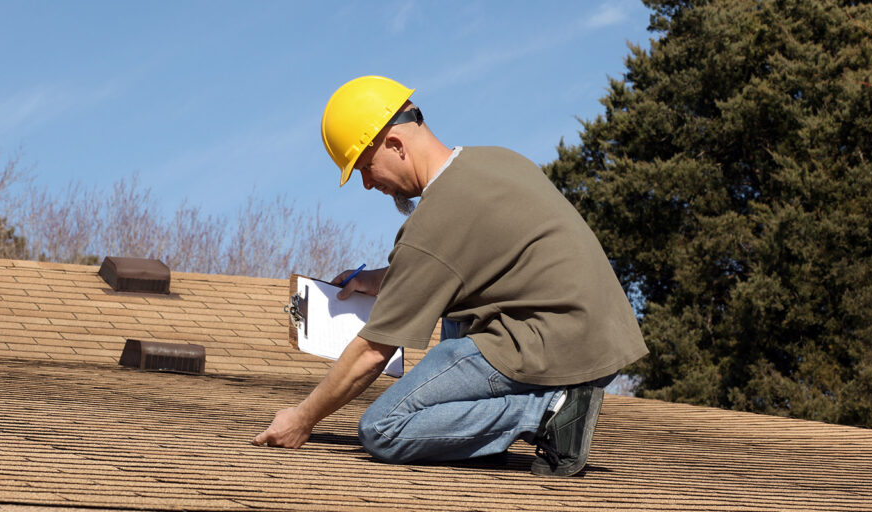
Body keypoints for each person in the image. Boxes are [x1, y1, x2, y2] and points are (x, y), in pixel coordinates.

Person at [253, 76, 648, 477]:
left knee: (381, 428)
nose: (369, 184)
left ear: (394, 144)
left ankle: (549, 411)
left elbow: (373, 351)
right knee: (455, 310)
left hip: (554, 346)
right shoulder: (494, 161)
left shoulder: (435, 221)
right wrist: (377, 280)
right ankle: (483, 439)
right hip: (597, 338)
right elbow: (457, 263)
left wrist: (303, 417)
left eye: (364, 167)